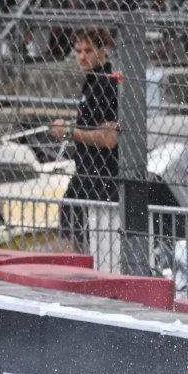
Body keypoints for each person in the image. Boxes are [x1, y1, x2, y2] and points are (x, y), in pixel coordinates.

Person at [47, 25, 120, 253]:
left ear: (103, 49)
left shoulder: (106, 84)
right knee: (70, 229)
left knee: (94, 245)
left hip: (102, 179)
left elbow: (109, 138)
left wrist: (68, 132)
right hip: (86, 175)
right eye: (77, 50)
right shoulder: (92, 82)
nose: (81, 56)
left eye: (87, 50)